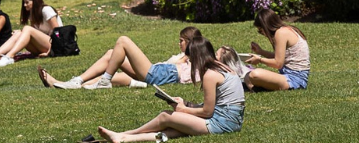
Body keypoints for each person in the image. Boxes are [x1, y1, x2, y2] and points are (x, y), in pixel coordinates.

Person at [95, 36, 244, 142]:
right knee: (174, 131)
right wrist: (186, 104)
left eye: (191, 60)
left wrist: (183, 109)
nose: (192, 64)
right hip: (232, 123)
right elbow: (219, 106)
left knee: (165, 116)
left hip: (221, 125)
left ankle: (124, 133)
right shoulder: (225, 69)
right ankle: (126, 138)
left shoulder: (210, 75)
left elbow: (207, 112)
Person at [40, 26, 201, 90]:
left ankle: (103, 82)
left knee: (123, 41)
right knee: (111, 53)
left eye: (181, 41)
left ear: (189, 42)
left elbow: (199, 71)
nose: (178, 43)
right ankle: (74, 82)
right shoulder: (185, 58)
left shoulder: (195, 62)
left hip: (158, 73)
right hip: (157, 71)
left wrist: (185, 59)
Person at [0, 0, 62, 68]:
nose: (24, 5)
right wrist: (20, 33)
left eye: (27, 2)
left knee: (27, 28)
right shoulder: (32, 15)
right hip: (43, 47)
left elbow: (58, 33)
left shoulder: (46, 10)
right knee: (19, 33)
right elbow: (33, 34)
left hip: (57, 46)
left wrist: (49, 52)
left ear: (35, 1)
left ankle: (9, 56)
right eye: (24, 3)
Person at [244, 9, 310, 91]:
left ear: (266, 26)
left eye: (260, 30)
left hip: (295, 79)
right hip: (288, 76)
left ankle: (258, 88)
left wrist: (259, 60)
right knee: (247, 76)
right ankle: (259, 88)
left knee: (254, 75)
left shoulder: (281, 33)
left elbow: (278, 63)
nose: (263, 34)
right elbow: (280, 56)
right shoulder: (286, 29)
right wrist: (260, 52)